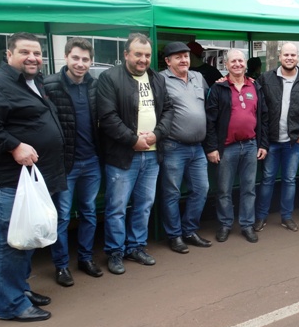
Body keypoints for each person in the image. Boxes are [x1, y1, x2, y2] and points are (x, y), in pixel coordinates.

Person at [0, 32, 66, 322]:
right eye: (24, 52)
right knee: (6, 245)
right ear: (9, 55)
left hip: (27, 180)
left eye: (37, 53)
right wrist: (14, 145)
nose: (32, 57)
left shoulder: (34, 83)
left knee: (23, 240)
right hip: (1, 181)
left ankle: (19, 289)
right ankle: (11, 305)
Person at [97, 33, 173, 275]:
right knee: (117, 207)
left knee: (144, 205)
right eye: (138, 54)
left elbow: (169, 110)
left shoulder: (157, 79)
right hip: (122, 156)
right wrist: (133, 140)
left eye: (147, 55)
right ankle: (115, 252)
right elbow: (107, 117)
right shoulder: (109, 78)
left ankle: (136, 246)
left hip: (152, 155)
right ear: (126, 54)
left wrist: (156, 135)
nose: (143, 59)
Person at [43, 37, 102, 287]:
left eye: (85, 59)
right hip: (64, 165)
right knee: (63, 217)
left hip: (92, 162)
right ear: (66, 57)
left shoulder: (96, 85)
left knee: (89, 212)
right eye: (75, 57)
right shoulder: (49, 84)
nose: (80, 63)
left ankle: (85, 259)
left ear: (91, 61)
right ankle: (61, 266)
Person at [255, 42, 299, 232]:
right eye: (286, 55)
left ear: (297, 58)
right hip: (271, 142)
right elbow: (258, 109)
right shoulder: (266, 78)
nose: (289, 58)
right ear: (279, 57)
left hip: (293, 142)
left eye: (293, 55)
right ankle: (261, 217)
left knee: (289, 180)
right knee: (267, 179)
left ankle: (286, 216)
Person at [204, 49, 269, 243]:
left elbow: (263, 118)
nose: (237, 64)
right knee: (224, 190)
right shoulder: (218, 89)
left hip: (250, 145)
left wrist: (263, 144)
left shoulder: (255, 87)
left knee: (248, 189)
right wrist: (212, 147)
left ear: (246, 64)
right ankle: (225, 224)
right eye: (233, 61)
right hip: (227, 148)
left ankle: (247, 225)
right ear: (226, 65)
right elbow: (210, 121)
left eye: (241, 61)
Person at [159, 42, 212, 254]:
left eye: (186, 56)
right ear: (168, 60)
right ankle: (174, 235)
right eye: (178, 57)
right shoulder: (160, 79)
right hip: (173, 146)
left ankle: (189, 230)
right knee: (171, 193)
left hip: (198, 148)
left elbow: (211, 100)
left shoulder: (198, 77)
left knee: (201, 189)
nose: (184, 60)